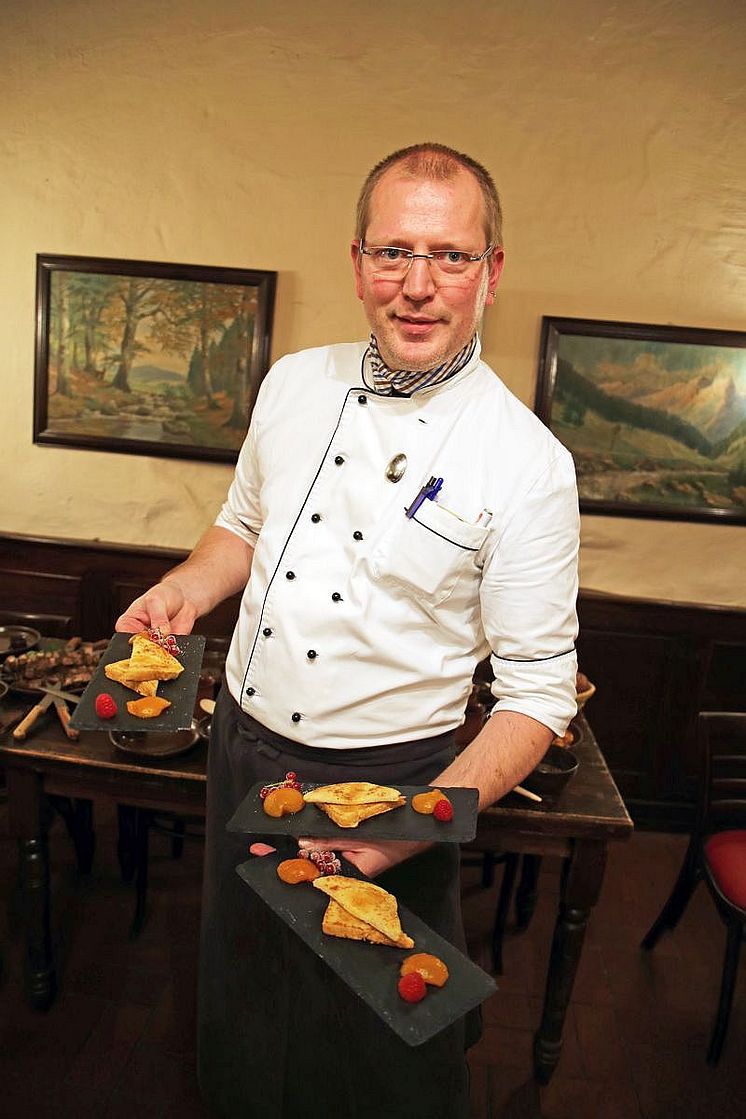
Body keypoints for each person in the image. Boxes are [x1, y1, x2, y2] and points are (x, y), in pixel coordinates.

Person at [116, 141, 580, 1119]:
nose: (417, 286)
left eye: (449, 256)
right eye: (392, 252)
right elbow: (239, 525)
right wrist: (184, 590)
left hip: (390, 788)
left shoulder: (527, 464)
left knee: (381, 1050)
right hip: (246, 752)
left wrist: (403, 831)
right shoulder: (291, 382)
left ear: (491, 271)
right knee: (244, 1008)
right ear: (356, 259)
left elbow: (536, 696)